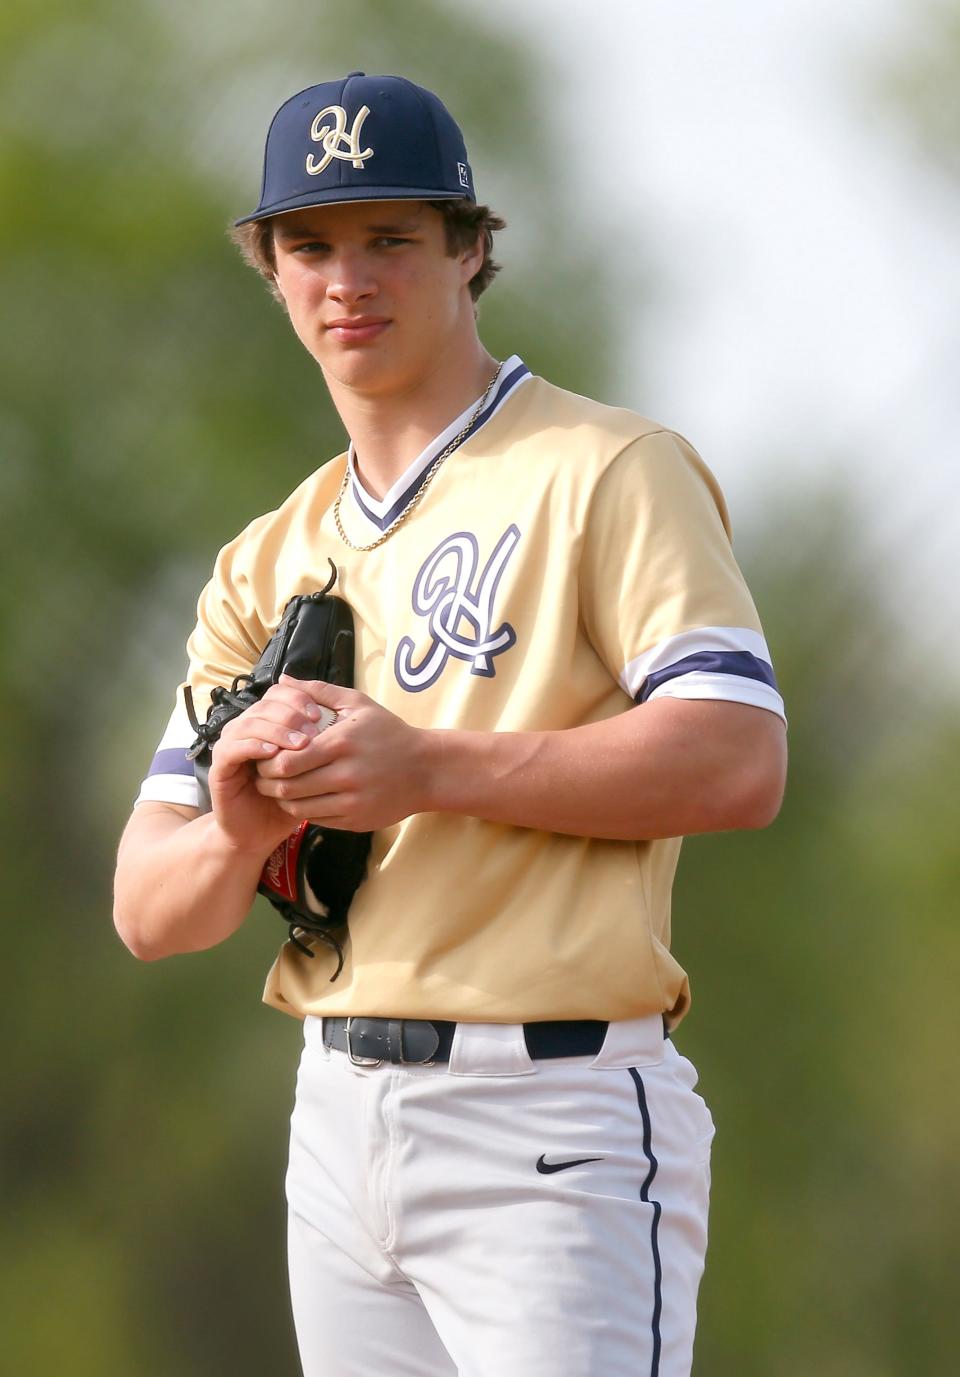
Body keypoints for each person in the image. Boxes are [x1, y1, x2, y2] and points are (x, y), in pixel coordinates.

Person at [113, 72, 787, 1377]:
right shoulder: (267, 558)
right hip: (339, 1115)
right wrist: (234, 835)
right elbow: (153, 906)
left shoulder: (605, 470)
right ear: (268, 267)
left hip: (553, 1115)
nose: (346, 278)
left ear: (472, 248)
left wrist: (425, 766)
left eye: (391, 239)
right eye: (309, 242)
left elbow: (738, 754)